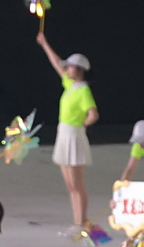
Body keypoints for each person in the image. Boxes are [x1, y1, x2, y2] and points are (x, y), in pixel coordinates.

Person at [35, 28, 97, 230]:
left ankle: (81, 222)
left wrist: (81, 126)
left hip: (73, 135)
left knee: (76, 184)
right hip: (64, 133)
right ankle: (78, 220)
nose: (67, 69)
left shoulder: (84, 90)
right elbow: (56, 64)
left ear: (78, 70)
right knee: (70, 185)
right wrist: (45, 44)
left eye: (70, 67)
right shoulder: (70, 85)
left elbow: (93, 114)